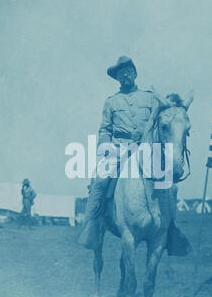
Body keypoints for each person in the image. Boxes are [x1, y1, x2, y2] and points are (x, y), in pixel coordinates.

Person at [78, 56, 190, 255]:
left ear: (135, 73)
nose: (125, 74)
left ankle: (170, 228)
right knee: (99, 179)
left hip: (146, 149)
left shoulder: (149, 98)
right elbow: (105, 129)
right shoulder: (111, 102)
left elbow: (166, 114)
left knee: (171, 186)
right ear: (117, 78)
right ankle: (93, 224)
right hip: (119, 149)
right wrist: (105, 146)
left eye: (128, 70)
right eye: (121, 73)